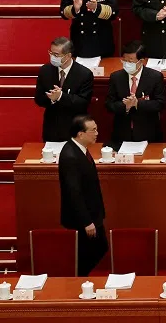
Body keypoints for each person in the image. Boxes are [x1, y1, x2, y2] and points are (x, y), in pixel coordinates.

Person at [58, 115, 107, 277]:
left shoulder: (80, 149)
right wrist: (86, 222)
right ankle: (79, 284)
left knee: (100, 250)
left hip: (92, 215)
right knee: (88, 256)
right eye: (93, 130)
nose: (97, 133)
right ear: (80, 134)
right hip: (82, 220)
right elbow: (74, 192)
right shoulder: (70, 156)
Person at [105, 40, 166, 148]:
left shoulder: (155, 77)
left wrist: (137, 103)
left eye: (131, 61)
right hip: (122, 134)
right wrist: (125, 106)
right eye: (124, 60)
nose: (127, 64)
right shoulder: (116, 77)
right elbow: (109, 104)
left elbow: (160, 104)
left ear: (141, 61)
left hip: (148, 134)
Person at [34, 38, 93, 142]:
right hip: (51, 128)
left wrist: (61, 96)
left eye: (56, 55)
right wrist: (51, 99)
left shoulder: (84, 74)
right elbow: (38, 99)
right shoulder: (45, 70)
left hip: (74, 128)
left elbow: (83, 102)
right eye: (51, 53)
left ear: (68, 56)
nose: (52, 57)